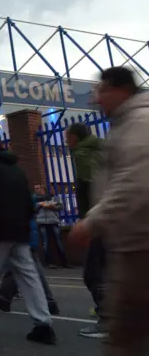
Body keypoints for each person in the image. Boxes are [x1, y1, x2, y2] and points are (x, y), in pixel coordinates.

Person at [69, 66, 149, 355]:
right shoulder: (127, 124)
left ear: (120, 90)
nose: (96, 100)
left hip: (140, 246)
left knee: (123, 341)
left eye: (101, 91)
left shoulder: (139, 122)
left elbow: (136, 182)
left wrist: (93, 221)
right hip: (129, 242)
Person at [0, 139, 56, 344]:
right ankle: (43, 323)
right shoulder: (18, 171)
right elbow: (29, 202)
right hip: (19, 231)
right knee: (29, 277)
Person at [66, 121, 106, 338]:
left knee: (94, 273)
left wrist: (88, 221)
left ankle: (107, 320)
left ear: (75, 138)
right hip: (115, 218)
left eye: (67, 136)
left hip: (99, 221)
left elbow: (92, 187)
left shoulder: (82, 155)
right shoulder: (101, 147)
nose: (65, 140)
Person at [0, 193, 60, 315]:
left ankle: (49, 301)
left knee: (29, 270)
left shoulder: (17, 195)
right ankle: (4, 299)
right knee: (13, 268)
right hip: (24, 235)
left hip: (22, 235)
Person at [33, 184, 69, 268]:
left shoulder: (53, 197)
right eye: (35, 188)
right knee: (45, 243)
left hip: (53, 221)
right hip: (41, 222)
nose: (36, 190)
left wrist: (50, 206)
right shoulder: (34, 199)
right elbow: (32, 209)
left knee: (58, 242)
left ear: (43, 188)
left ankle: (64, 262)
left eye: (38, 188)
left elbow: (60, 206)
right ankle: (48, 262)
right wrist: (40, 205)